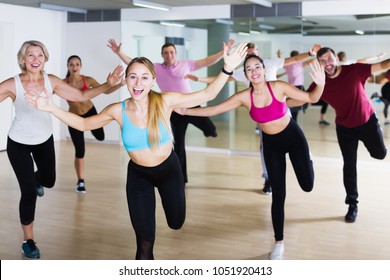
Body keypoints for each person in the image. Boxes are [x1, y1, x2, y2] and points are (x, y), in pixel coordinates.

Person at [26, 43, 248, 260]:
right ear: (126, 80)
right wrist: (50, 107)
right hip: (138, 176)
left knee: (176, 222)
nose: (138, 82)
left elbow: (207, 95)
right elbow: (84, 125)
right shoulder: (117, 110)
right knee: (144, 242)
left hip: (170, 171)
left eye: (144, 77)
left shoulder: (165, 101)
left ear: (153, 80)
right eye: (133, 76)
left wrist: (227, 69)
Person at [177, 54, 325, 260]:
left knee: (307, 185)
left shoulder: (279, 87)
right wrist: (186, 112)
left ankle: (307, 160)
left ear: (264, 69)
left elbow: (311, 98)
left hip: (293, 138)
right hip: (271, 145)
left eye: (257, 67)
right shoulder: (244, 97)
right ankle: (279, 242)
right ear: (245, 74)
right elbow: (214, 109)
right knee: (278, 195)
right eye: (249, 69)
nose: (254, 71)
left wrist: (321, 83)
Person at [0, 40, 123, 259]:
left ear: (45, 58)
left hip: (44, 140)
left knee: (48, 180)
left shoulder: (52, 81)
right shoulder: (13, 84)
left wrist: (107, 85)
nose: (35, 59)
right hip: (18, 143)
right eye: (30, 55)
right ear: (23, 59)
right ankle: (28, 241)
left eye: (40, 55)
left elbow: (82, 96)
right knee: (28, 192)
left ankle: (36, 180)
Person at [186, 42, 322, 195]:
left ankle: (305, 158)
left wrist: (310, 54)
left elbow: (294, 59)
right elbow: (221, 79)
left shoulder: (269, 64)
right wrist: (198, 80)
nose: (251, 57)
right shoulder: (242, 72)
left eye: (253, 53)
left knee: (297, 149)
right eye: (247, 54)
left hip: (280, 109)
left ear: (261, 60)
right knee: (266, 150)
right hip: (261, 113)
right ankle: (269, 178)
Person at [107, 38, 235, 184]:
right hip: (173, 111)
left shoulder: (185, 65)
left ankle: (210, 132)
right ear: (162, 55)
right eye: (166, 53)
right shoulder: (156, 68)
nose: (169, 55)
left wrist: (224, 52)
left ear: (175, 53)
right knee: (178, 145)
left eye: (171, 52)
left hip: (190, 106)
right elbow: (133, 63)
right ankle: (182, 178)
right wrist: (119, 52)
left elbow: (206, 61)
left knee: (211, 129)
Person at [306, 47, 389, 223]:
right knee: (349, 166)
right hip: (345, 128)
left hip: (367, 121)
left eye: (329, 59)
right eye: (322, 61)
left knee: (380, 154)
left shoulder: (355, 69)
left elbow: (382, 65)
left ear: (336, 59)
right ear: (319, 65)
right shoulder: (320, 83)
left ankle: (378, 135)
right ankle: (352, 205)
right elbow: (304, 97)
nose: (327, 64)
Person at [64, 55, 123, 194]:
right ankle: (81, 181)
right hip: (74, 118)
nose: (74, 67)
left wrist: (122, 83)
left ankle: (93, 130)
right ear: (68, 66)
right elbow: (49, 90)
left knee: (100, 137)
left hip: (90, 113)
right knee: (80, 151)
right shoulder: (63, 83)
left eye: (77, 64)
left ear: (80, 66)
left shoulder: (87, 80)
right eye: (71, 64)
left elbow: (106, 90)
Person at [314, 51, 386, 126]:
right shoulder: (347, 63)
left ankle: (321, 118)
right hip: (346, 91)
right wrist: (378, 57)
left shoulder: (334, 66)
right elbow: (365, 60)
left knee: (326, 103)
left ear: (337, 58)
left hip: (337, 92)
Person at [279, 50, 314, 122]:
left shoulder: (288, 64)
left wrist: (279, 55)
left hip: (291, 88)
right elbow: (309, 62)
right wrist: (318, 56)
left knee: (295, 107)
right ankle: (284, 109)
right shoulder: (299, 63)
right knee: (304, 104)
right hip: (298, 87)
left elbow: (280, 62)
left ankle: (293, 122)